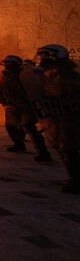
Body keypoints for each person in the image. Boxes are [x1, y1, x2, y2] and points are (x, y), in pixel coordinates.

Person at [20, 44, 80, 193]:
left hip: (70, 116)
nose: (41, 59)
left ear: (54, 56)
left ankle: (78, 180)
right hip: (58, 116)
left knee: (69, 148)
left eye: (44, 56)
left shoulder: (68, 73)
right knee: (64, 147)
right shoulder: (51, 73)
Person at [0, 55, 51, 161]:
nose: (8, 65)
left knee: (29, 127)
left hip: (24, 105)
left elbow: (31, 87)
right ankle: (18, 144)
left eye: (10, 63)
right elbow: (3, 88)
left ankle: (43, 152)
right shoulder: (5, 76)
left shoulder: (24, 75)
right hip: (11, 106)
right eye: (6, 62)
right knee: (11, 126)